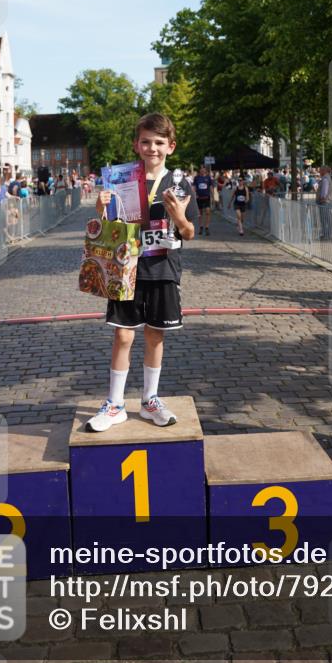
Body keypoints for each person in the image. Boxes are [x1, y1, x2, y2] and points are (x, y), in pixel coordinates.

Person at [87, 113, 198, 432]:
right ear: (137, 145)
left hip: (163, 268)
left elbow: (189, 234)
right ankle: (115, 404)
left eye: (159, 142)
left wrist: (179, 217)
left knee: (155, 334)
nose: (153, 148)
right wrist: (100, 207)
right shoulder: (121, 180)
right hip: (127, 267)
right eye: (146, 142)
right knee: (123, 335)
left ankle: (150, 399)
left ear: (171, 146)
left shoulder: (179, 183)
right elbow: (108, 228)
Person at [193, 165, 213, 236]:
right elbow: (194, 187)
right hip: (199, 198)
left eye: (203, 169)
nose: (202, 170)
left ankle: (207, 227)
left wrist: (213, 196)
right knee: (200, 213)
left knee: (208, 212)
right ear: (200, 170)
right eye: (201, 169)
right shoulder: (196, 178)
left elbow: (211, 187)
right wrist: (193, 195)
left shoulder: (208, 178)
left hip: (207, 197)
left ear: (205, 170)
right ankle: (201, 227)